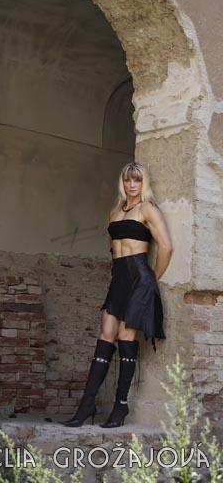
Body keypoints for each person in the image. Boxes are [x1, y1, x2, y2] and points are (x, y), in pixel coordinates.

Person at [63, 161, 173, 428]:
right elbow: (114, 249)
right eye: (127, 180)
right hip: (119, 277)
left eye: (137, 180)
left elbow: (166, 247)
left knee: (125, 336)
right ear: (122, 182)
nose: (132, 184)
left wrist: (152, 279)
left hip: (139, 277)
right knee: (105, 333)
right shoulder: (113, 211)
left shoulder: (148, 209)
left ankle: (120, 406)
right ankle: (87, 404)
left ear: (143, 183)